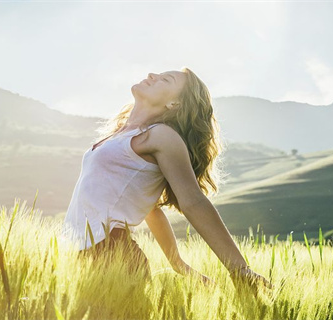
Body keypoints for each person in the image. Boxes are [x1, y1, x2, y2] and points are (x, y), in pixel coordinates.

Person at [61, 67, 272, 291]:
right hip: (78, 255)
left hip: (111, 257)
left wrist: (239, 269)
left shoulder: (161, 136)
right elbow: (150, 208)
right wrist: (176, 262)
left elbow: (193, 201)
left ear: (174, 104)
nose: (152, 75)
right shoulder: (121, 134)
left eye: (165, 79)